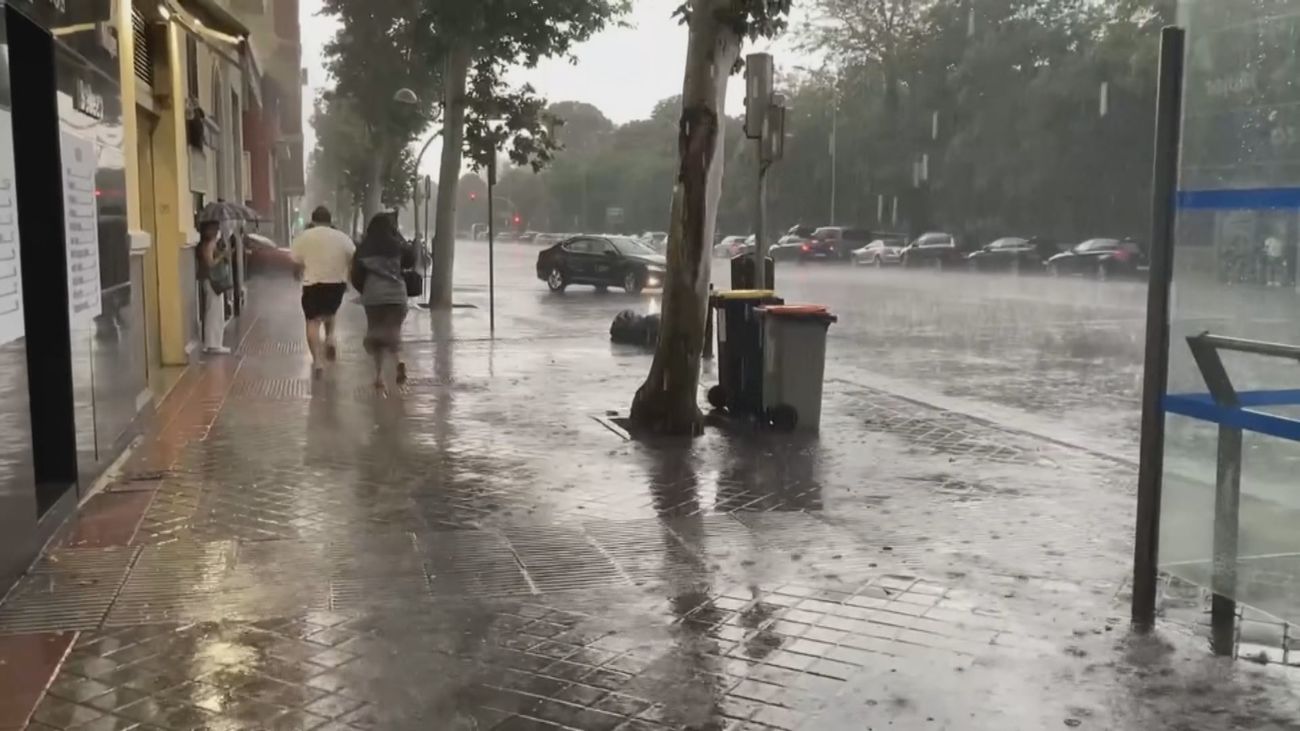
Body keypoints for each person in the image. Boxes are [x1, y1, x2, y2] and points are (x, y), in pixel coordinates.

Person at [290, 206, 355, 376]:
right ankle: (330, 338)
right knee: (330, 312)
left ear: (313, 220)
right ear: (330, 220)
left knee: (312, 321)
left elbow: (296, 261)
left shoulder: (304, 237)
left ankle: (318, 361)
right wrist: (347, 278)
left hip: (313, 284)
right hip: (336, 284)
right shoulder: (342, 237)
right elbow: (352, 257)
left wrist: (297, 274)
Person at [351, 213, 414, 390]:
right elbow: (411, 260)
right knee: (393, 331)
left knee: (376, 334)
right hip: (397, 296)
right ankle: (399, 361)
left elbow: (355, 275)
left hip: (374, 296)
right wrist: (398, 236)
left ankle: (379, 377)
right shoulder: (398, 245)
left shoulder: (363, 248)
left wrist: (364, 290)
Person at [197, 221, 230, 355]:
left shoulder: (210, 244)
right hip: (212, 281)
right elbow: (210, 263)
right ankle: (213, 344)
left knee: (215, 311)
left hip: (210, 281)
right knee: (214, 312)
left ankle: (214, 343)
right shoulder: (209, 244)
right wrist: (221, 256)